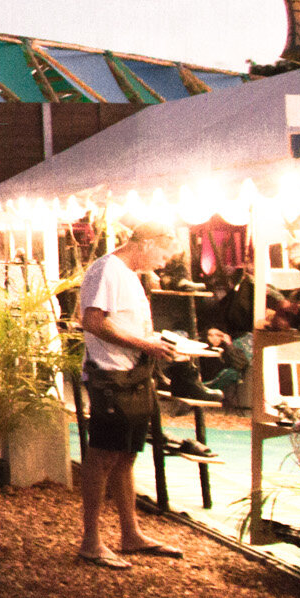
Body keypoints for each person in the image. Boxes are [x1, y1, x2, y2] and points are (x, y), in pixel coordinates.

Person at [75, 226, 187, 569]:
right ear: (148, 243)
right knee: (102, 457)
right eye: (164, 255)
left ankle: (130, 533)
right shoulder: (107, 270)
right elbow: (93, 322)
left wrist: (152, 344)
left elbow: (123, 323)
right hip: (112, 376)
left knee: (125, 456)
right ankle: (91, 541)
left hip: (133, 374)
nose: (163, 263)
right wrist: (145, 345)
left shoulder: (129, 275)